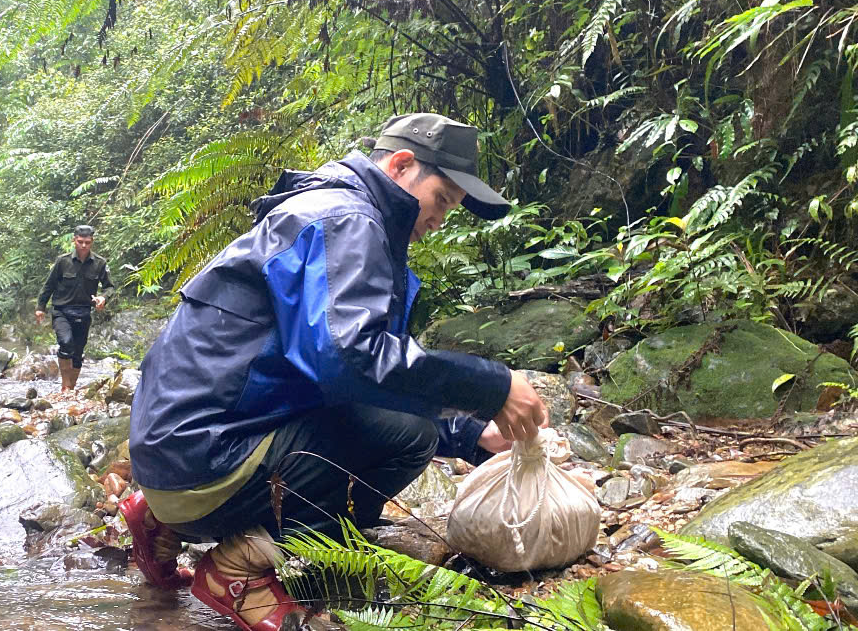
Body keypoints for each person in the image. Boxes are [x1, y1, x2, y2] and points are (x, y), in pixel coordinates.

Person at [122, 113, 550, 631]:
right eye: (442, 200)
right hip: (204, 463)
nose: (441, 219)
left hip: (178, 457)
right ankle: (245, 567)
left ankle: (161, 519)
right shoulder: (347, 221)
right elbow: (351, 362)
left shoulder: (326, 212)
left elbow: (342, 375)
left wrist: (467, 433)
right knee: (408, 439)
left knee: (396, 429)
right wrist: (492, 385)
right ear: (402, 165)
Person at [35, 225, 114, 390]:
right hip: (61, 311)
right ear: (74, 240)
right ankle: (65, 387)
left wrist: (103, 298)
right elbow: (48, 285)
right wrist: (40, 307)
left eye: (87, 242)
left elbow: (109, 287)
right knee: (65, 343)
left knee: (78, 352)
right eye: (80, 242)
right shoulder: (63, 261)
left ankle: (72, 387)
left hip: (84, 311)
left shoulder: (99, 263)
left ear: (92, 241)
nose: (83, 246)